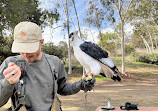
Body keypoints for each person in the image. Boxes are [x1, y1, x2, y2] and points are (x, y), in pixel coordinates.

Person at [0, 21, 95, 111]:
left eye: (29, 49)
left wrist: (80, 85)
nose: (25, 53)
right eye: (21, 48)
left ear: (41, 42)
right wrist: (8, 83)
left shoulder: (54, 62)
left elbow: (62, 88)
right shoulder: (10, 65)